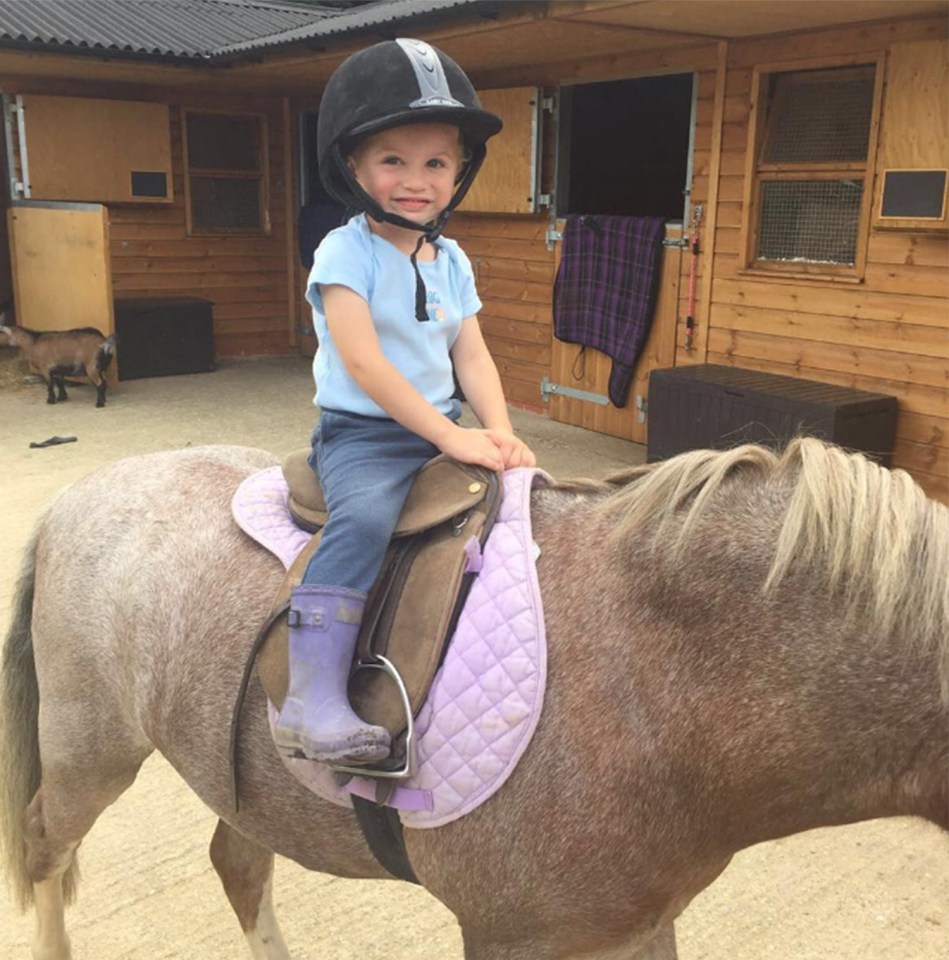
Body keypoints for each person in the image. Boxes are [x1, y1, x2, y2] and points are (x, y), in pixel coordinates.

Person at [274, 38, 536, 766]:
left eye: (435, 163)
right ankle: (310, 699)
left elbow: (470, 352)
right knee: (362, 520)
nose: (415, 180)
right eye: (393, 160)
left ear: (458, 173)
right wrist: (451, 441)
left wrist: (499, 431)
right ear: (353, 168)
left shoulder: (449, 259)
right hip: (363, 436)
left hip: (438, 430)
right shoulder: (342, 253)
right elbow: (364, 361)